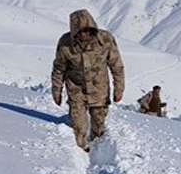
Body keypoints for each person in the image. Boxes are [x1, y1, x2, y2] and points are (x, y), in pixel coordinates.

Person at [50, 9, 125, 150]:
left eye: (87, 31)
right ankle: (81, 151)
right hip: (76, 89)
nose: (84, 34)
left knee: (98, 124)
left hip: (99, 90)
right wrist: (56, 91)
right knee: (79, 126)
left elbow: (117, 66)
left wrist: (119, 89)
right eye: (80, 32)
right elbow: (59, 69)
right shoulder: (66, 43)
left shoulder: (106, 40)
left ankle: (97, 149)